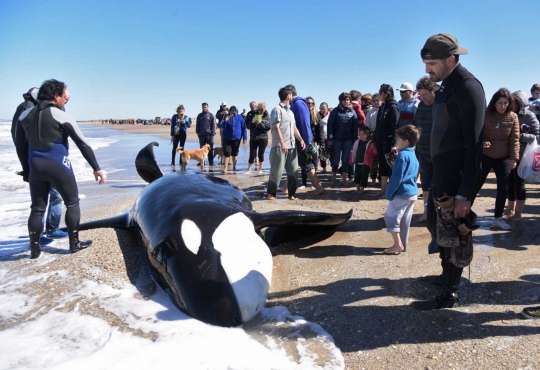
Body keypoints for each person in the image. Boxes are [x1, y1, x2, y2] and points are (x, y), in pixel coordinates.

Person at [412, 33, 485, 310]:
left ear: (451, 59)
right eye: (425, 64)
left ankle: (450, 293)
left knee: (455, 234)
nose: (427, 70)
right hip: (441, 172)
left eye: (431, 64)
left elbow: (475, 147)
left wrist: (466, 194)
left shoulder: (468, 88)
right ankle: (446, 277)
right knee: (437, 227)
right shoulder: (444, 87)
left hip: (457, 178)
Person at [15, 79, 106, 259]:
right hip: (58, 164)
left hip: (35, 166)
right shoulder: (61, 115)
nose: (65, 100)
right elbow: (83, 143)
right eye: (64, 96)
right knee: (72, 202)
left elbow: (19, 145)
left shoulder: (24, 116)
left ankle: (34, 250)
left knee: (37, 209)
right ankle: (74, 243)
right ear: (55, 96)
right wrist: (96, 167)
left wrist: (26, 169)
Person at [12, 87, 68, 241]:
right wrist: (26, 167)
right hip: (45, 159)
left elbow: (18, 140)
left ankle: (37, 237)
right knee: (50, 198)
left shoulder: (27, 108)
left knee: (40, 201)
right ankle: (50, 231)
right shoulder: (30, 109)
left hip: (37, 160)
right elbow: (19, 140)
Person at [472, 88, 519, 230]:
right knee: (475, 185)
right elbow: (476, 133)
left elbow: (515, 139)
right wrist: (483, 141)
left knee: (503, 189)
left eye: (505, 103)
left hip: (504, 158)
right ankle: (466, 213)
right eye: (500, 103)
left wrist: (514, 158)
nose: (502, 106)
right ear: (494, 103)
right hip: (485, 156)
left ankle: (497, 218)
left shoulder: (512, 117)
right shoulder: (485, 115)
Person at [383, 125, 420, 254]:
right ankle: (403, 245)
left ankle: (397, 245)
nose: (396, 142)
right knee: (405, 220)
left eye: (398, 139)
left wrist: (389, 193)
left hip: (402, 193)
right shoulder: (413, 154)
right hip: (412, 193)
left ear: (406, 141)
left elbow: (396, 178)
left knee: (390, 217)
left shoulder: (402, 156)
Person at [504, 91, 540, 220]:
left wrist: (521, 136)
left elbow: (537, 136)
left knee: (519, 184)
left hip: (524, 157)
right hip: (508, 155)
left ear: (520, 103)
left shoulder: (529, 117)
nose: (509, 104)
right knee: (509, 185)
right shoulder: (507, 115)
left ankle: (518, 212)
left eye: (512, 102)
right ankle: (510, 210)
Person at [267, 87, 305, 200]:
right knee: (277, 171)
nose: (293, 96)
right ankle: (271, 194)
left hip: (292, 146)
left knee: (294, 171)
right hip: (279, 146)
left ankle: (292, 194)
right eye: (292, 94)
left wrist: (301, 139)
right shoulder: (276, 110)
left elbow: (294, 128)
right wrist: (282, 143)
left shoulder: (291, 112)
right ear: (288, 95)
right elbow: (276, 127)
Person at [286, 85, 324, 195]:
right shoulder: (297, 104)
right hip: (300, 140)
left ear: (289, 94)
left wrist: (307, 141)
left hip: (304, 140)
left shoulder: (298, 104)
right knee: (297, 163)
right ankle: (286, 187)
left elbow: (305, 124)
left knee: (307, 164)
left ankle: (318, 187)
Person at [412, 76, 438, 223]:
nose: (423, 98)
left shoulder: (442, 104)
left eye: (425, 95)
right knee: (426, 185)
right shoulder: (421, 105)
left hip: (439, 154)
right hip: (423, 151)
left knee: (440, 185)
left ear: (434, 91)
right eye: (420, 95)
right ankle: (427, 212)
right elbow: (415, 126)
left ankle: (440, 214)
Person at [327, 92, 358, 187]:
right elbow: (330, 125)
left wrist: (354, 140)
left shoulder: (353, 112)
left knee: (345, 160)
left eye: (348, 99)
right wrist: (330, 138)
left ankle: (344, 180)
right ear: (340, 100)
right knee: (336, 159)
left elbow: (355, 127)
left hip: (348, 140)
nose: (346, 101)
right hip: (337, 139)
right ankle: (333, 180)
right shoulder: (335, 111)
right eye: (344, 99)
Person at [374, 84, 399, 198]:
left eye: (380, 92)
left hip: (389, 142)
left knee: (390, 167)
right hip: (380, 141)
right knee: (382, 166)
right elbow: (378, 125)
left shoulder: (393, 107)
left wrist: (394, 144)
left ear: (385, 93)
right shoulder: (383, 106)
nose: (379, 94)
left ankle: (392, 191)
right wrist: (375, 139)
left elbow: (396, 127)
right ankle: (383, 190)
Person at [220, 106, 247, 173]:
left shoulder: (240, 117)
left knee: (235, 153)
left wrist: (245, 138)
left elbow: (244, 128)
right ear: (230, 111)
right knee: (226, 153)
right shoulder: (226, 116)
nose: (233, 113)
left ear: (236, 111)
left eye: (234, 112)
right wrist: (227, 119)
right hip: (227, 138)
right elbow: (221, 125)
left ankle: (234, 167)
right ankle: (225, 168)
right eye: (232, 112)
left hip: (237, 138)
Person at [245, 102, 270, 174]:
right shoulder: (253, 114)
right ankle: (249, 170)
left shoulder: (267, 116)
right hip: (254, 138)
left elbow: (268, 128)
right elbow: (248, 127)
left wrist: (260, 123)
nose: (260, 111)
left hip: (263, 138)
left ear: (264, 109)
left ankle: (260, 169)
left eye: (261, 110)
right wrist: (252, 122)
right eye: (259, 109)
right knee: (252, 154)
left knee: (261, 154)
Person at [351, 126, 377, 194]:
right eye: (360, 134)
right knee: (357, 175)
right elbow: (354, 151)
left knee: (364, 176)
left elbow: (374, 152)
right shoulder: (357, 142)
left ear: (367, 134)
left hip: (365, 163)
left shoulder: (370, 143)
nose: (361, 136)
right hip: (357, 162)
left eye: (363, 134)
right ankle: (357, 188)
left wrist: (373, 147)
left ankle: (362, 189)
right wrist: (352, 159)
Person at [366, 93, 381, 185]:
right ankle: (373, 179)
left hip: (382, 136)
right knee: (374, 160)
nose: (375, 102)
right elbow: (367, 127)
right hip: (373, 136)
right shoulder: (370, 113)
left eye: (377, 100)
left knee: (382, 161)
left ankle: (381, 179)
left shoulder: (384, 110)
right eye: (374, 101)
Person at [318, 102, 330, 173]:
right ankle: (324, 168)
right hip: (321, 137)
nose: (323, 110)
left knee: (331, 153)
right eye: (321, 108)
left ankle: (333, 167)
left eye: (324, 108)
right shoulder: (317, 116)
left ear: (327, 108)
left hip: (328, 137)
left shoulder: (330, 115)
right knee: (322, 153)